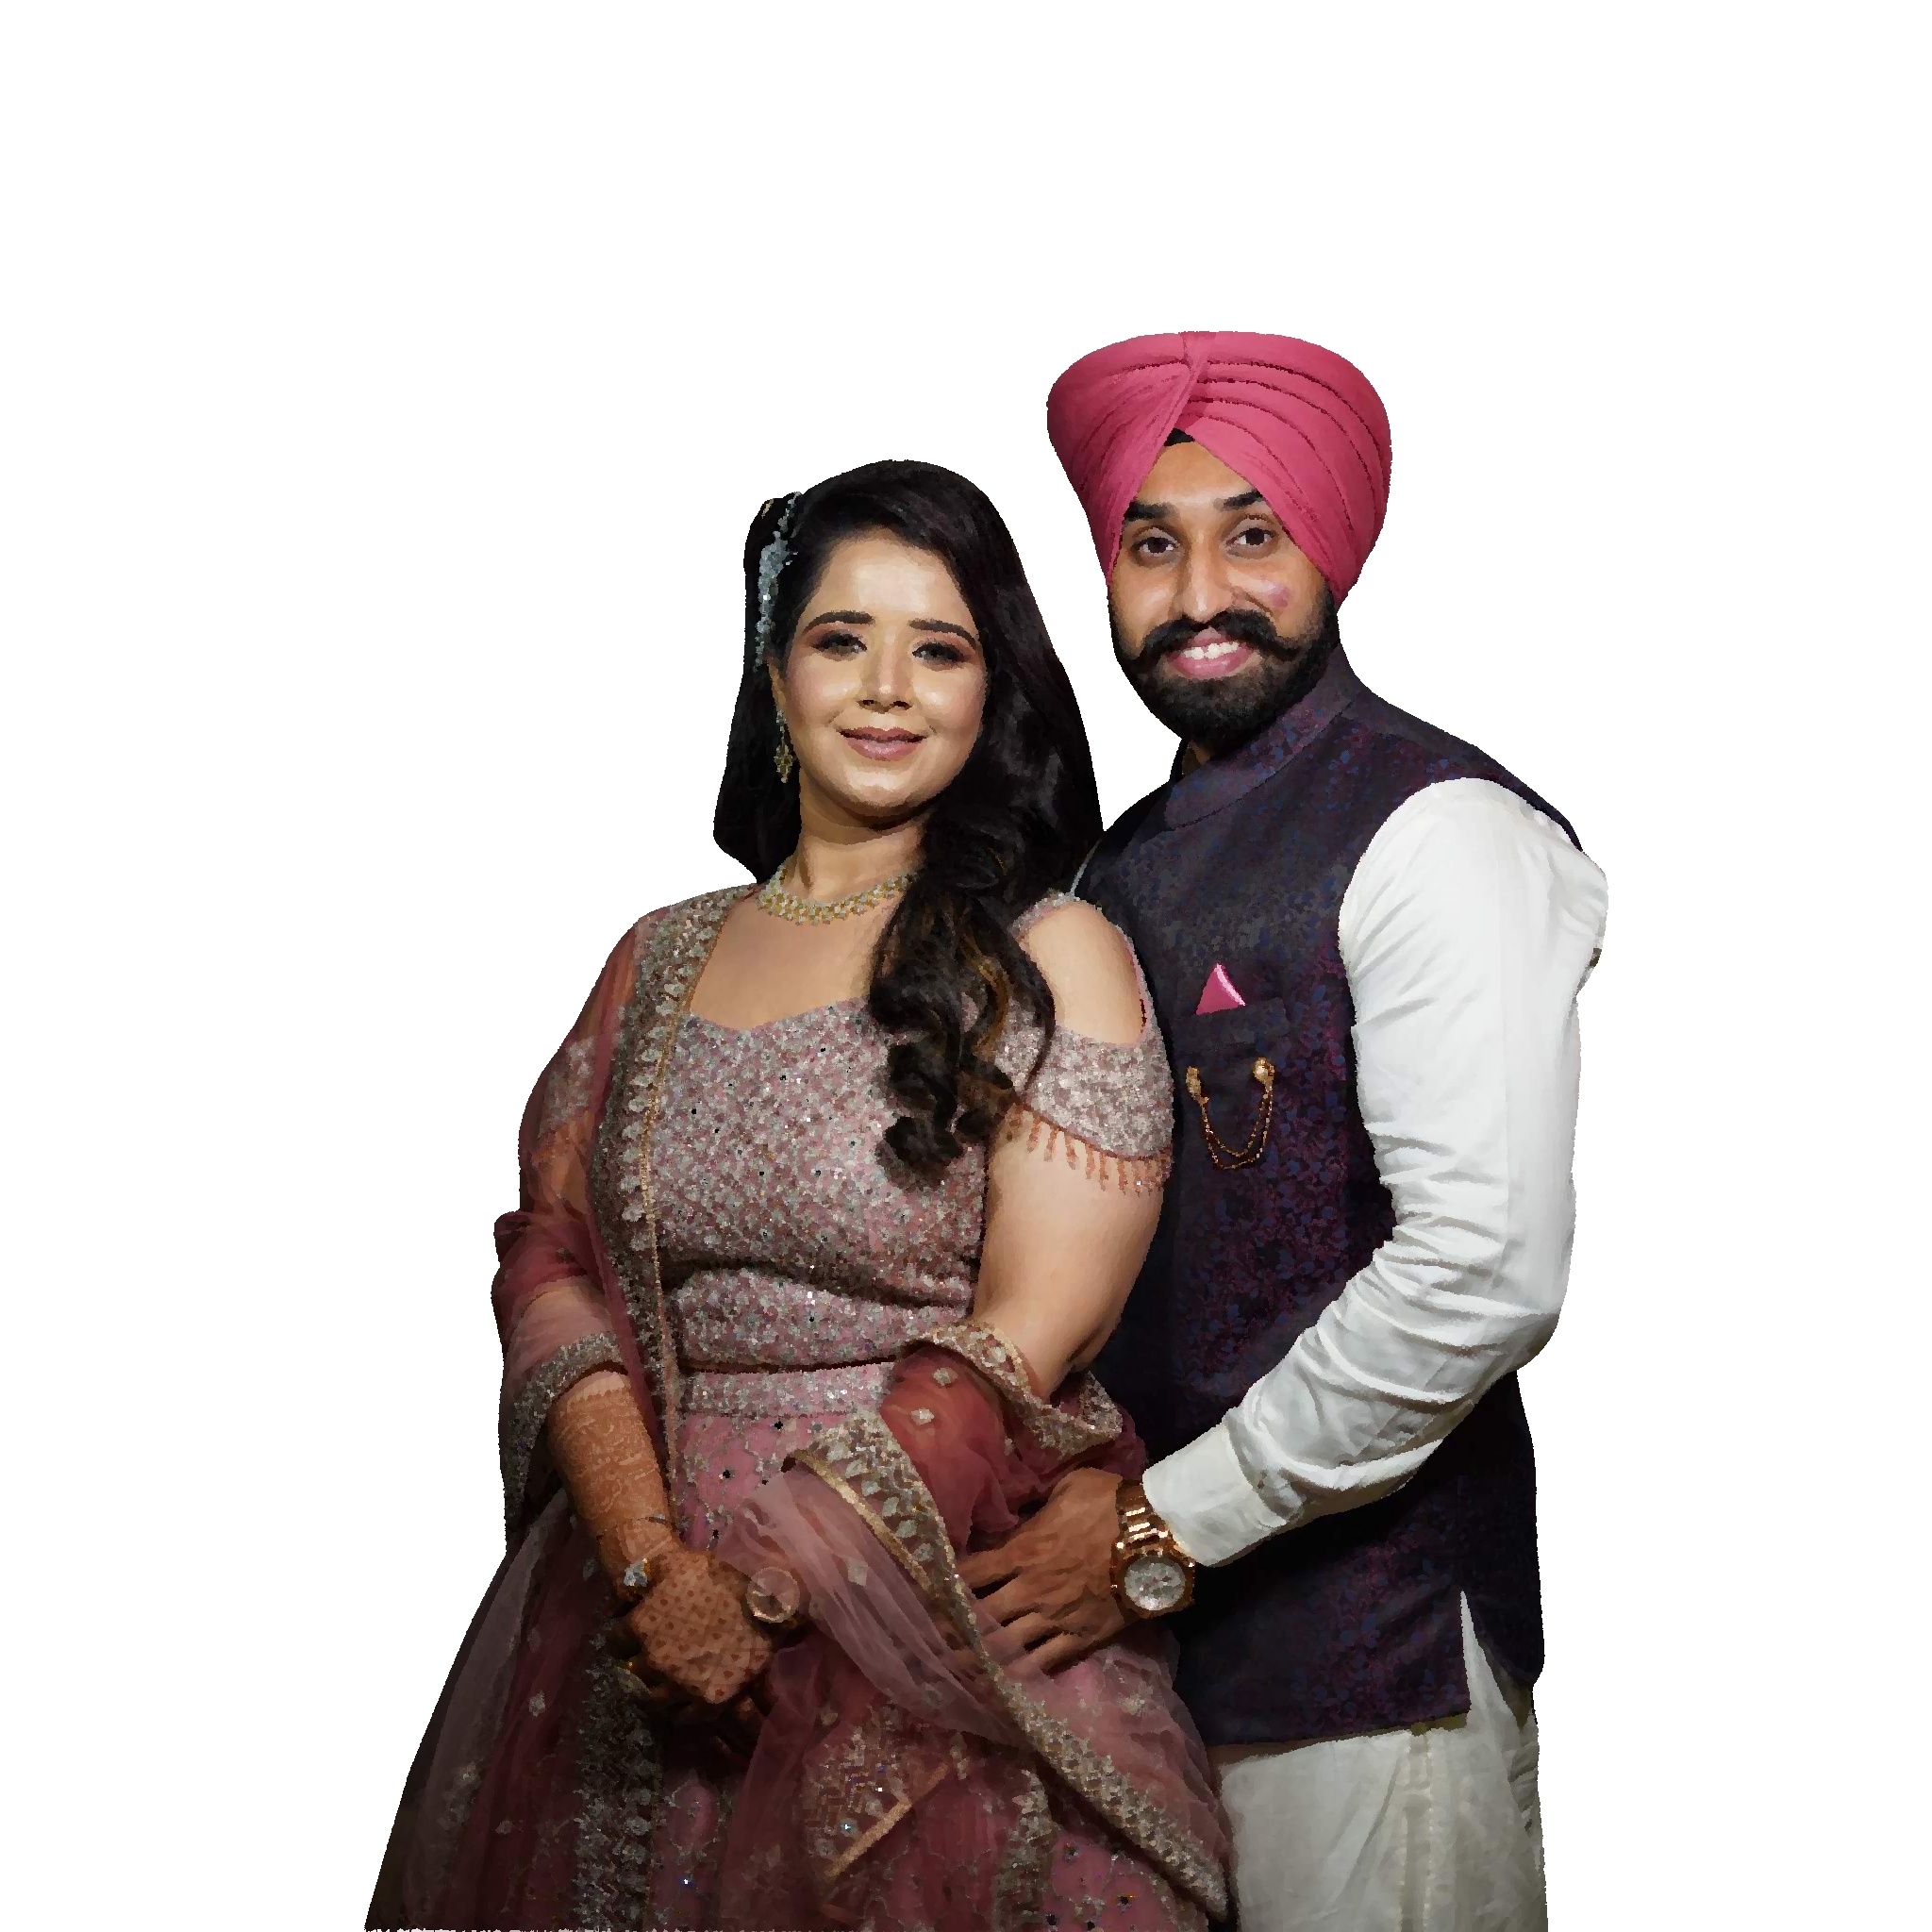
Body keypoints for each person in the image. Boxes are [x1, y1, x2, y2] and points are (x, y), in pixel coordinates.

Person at [365, 459, 1228, 1931]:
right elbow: (552, 1257)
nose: (888, 688)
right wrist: (654, 1570)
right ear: (776, 680)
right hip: (636, 1617)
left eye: (938, 649)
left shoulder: (1051, 953)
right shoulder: (657, 956)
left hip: (933, 1603)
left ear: (993, 692)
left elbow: (1031, 1338)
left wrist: (767, 1592)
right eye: (842, 640)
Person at [957, 332, 1609, 1931]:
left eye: (1251, 535)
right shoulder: (1111, 870)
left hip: (1367, 1675)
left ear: (1332, 545)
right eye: (1150, 547)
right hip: (1129, 1666)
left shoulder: (1437, 830)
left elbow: (1481, 1273)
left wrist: (1157, 1526)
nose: (1199, 597)